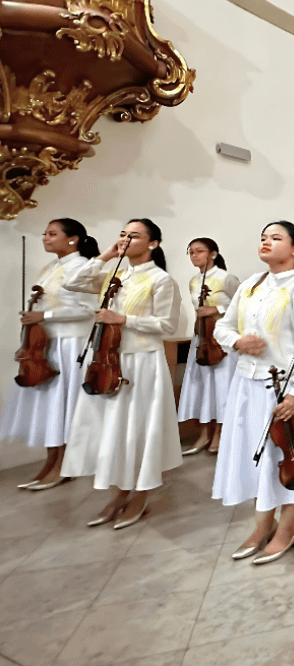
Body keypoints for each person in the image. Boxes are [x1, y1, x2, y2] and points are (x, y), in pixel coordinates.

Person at [212, 221, 294, 564]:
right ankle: (261, 525)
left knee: (292, 459)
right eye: (263, 237)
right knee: (258, 459)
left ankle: (287, 528)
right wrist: (236, 341)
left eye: (275, 238)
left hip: (287, 388)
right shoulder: (251, 284)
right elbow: (223, 325)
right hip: (247, 385)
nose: (266, 242)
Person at [62, 218, 183, 529]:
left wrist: (123, 319)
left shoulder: (160, 279)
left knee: (140, 431)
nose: (127, 239)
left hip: (142, 362)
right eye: (123, 234)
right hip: (108, 361)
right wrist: (105, 255)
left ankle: (141, 496)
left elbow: (168, 326)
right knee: (113, 432)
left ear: (153, 243)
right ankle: (118, 496)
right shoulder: (114, 274)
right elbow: (71, 281)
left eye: (135, 235)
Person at [1, 219, 98, 490]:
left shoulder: (84, 268)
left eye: (52, 234)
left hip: (70, 345)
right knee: (49, 408)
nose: (45, 238)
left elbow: (89, 310)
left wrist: (45, 315)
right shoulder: (51, 268)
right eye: (44, 233)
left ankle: (65, 464)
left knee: (64, 406)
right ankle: (51, 461)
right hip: (46, 346)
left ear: (73, 239)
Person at [177, 238, 239, 456]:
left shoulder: (226, 278)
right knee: (203, 387)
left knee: (221, 386)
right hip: (202, 338)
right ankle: (204, 432)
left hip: (220, 339)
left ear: (212, 254)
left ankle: (220, 433)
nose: (194, 255)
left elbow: (241, 305)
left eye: (199, 251)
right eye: (191, 252)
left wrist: (217, 308)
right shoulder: (194, 281)